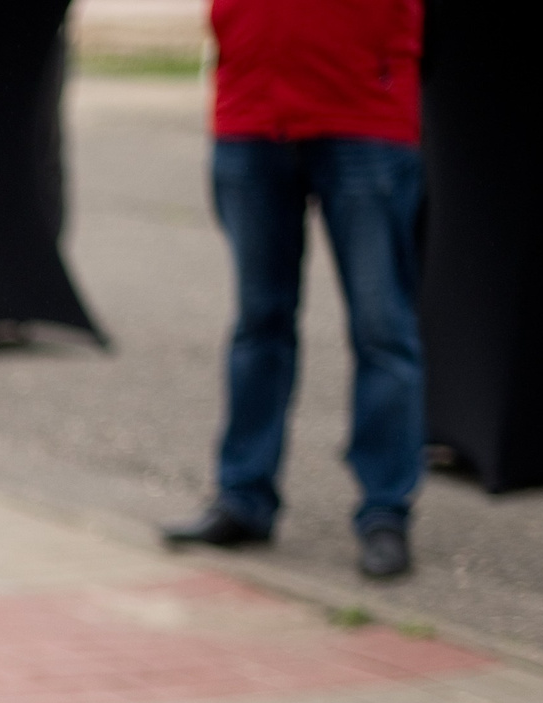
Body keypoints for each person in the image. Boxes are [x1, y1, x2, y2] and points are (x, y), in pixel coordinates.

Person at [163, 0, 425, 581]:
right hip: (251, 109)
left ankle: (385, 509)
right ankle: (243, 496)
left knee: (382, 327)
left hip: (364, 109)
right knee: (259, 324)